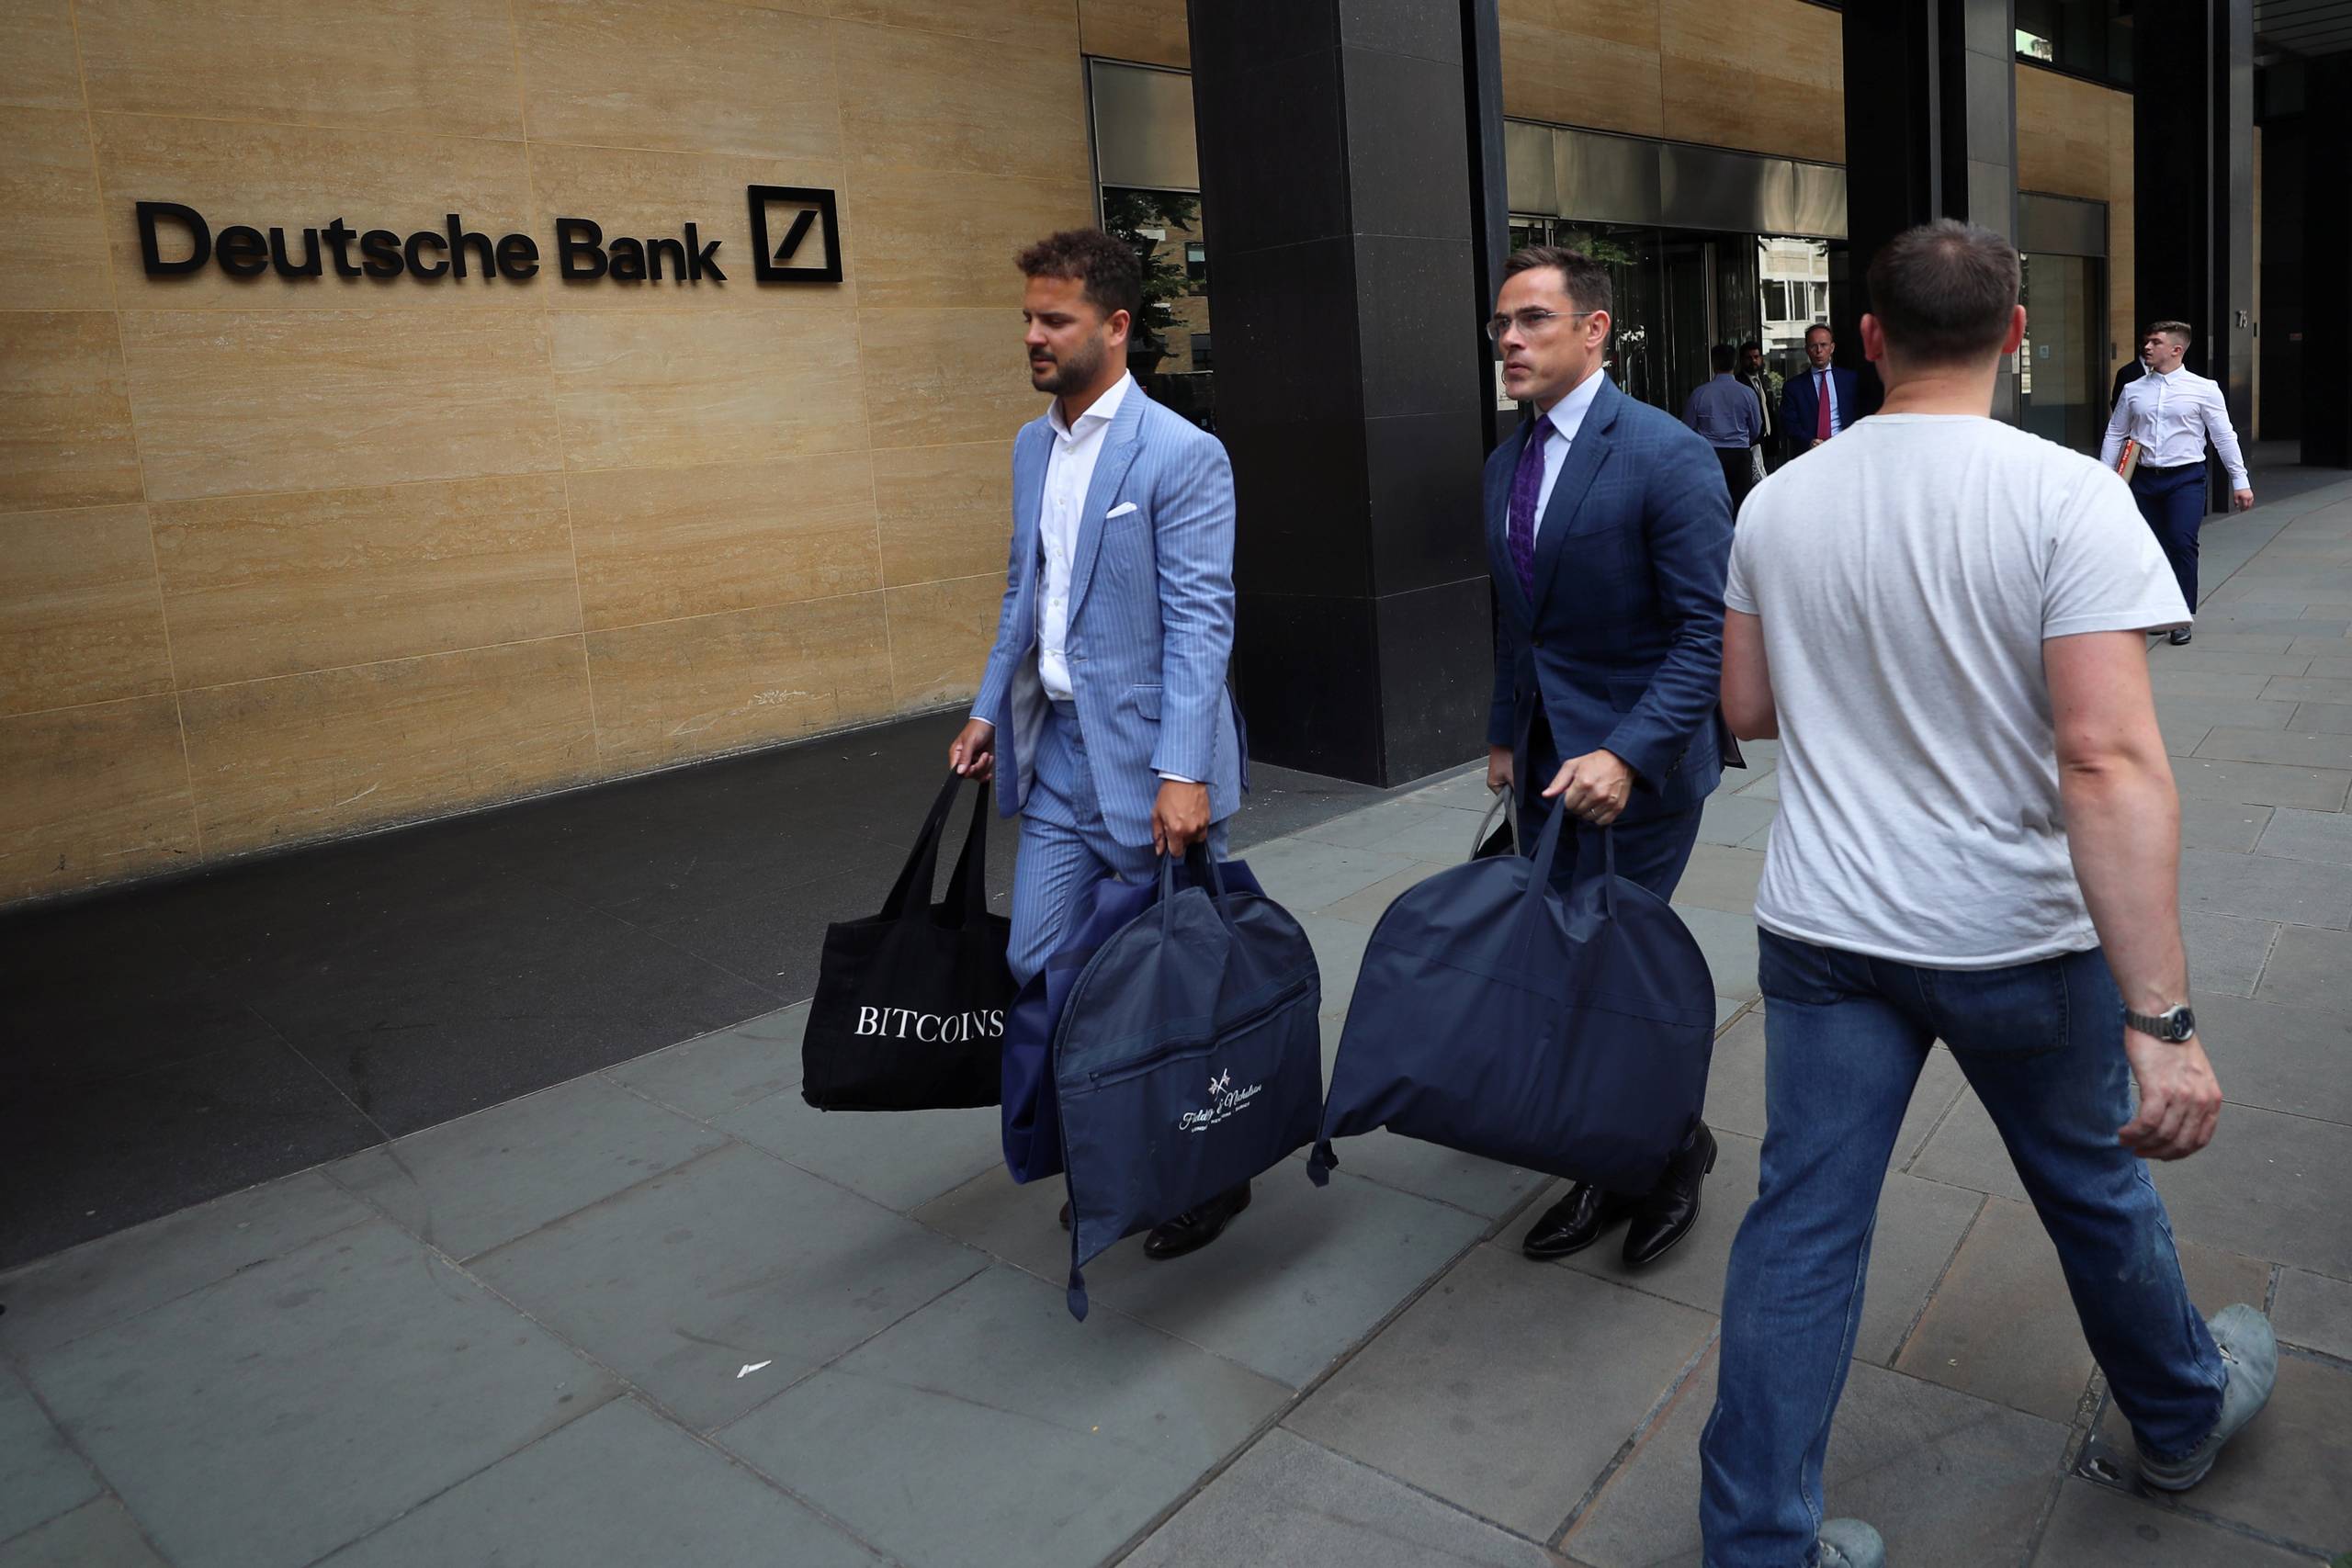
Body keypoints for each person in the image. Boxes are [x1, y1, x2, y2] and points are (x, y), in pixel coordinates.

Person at [1705, 220, 2274, 1568]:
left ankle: (1758, 1540)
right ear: (2017, 336)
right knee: (2094, 1186)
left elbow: (1747, 704)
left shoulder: (1779, 498)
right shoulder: (2066, 494)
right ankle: (2182, 1414)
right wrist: (2165, 1019)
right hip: (2016, 933)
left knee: (1802, 1225)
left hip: (1828, 927)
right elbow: (2106, 753)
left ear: (1868, 340)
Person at [949, 229, 1252, 1259]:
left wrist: (1184, 772)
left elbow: (1203, 623)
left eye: (1054, 320)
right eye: (1028, 319)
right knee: (1041, 960)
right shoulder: (1032, 446)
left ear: (1115, 328)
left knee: (1171, 978)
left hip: (1151, 768)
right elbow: (1019, 594)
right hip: (1060, 755)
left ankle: (1214, 1166)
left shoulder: (1179, 453)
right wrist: (990, 710)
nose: (1032, 337)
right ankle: (1118, 1136)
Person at [1482, 245, 1735, 1269]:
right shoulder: (1507, 461)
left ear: (1594, 330)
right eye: (1500, 323)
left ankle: (1654, 1157)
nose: (1507, 339)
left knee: (1610, 968)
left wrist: (1627, 754)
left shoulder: (1665, 453)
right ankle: (1632, 1144)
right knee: (1565, 962)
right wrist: (1504, 730)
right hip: (1545, 764)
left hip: (1641, 772)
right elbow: (1518, 623)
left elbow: (1705, 633)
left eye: (1532, 320)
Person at [2101, 320, 2255, 644]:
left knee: (2182, 542)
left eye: (2154, 342)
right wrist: (2105, 478)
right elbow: (2116, 434)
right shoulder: (2133, 390)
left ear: (2176, 349)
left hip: (2186, 478)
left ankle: (2182, 615)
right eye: (2147, 341)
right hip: (2143, 479)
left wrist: (2240, 480)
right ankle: (2159, 609)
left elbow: (2223, 436)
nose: (2147, 347)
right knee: (2151, 548)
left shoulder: (2204, 389)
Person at [1685, 344, 1766, 513]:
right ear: (1735, 362)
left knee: (1713, 506)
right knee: (1740, 506)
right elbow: (1756, 428)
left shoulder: (1700, 394)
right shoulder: (1747, 393)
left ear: (1713, 363)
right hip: (1740, 456)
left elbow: (1688, 427)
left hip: (1710, 455)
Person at [1779, 324, 1860, 460]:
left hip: (1846, 451)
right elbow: (1789, 424)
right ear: (1806, 350)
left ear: (1832, 348)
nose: (1819, 351)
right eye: (1813, 346)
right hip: (1810, 455)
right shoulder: (1793, 387)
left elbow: (1860, 414)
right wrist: (1808, 441)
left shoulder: (1850, 380)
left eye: (1824, 345)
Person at [1737, 342, 1781, 482]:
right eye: (1749, 358)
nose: (1753, 361)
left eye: (1756, 357)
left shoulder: (1762, 380)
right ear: (1741, 360)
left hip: (1767, 444)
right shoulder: (1739, 383)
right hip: (1751, 445)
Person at [2110, 348, 2147, 412]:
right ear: (2140, 346)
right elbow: (2117, 404)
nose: (2149, 347)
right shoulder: (2126, 372)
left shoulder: (2165, 371)